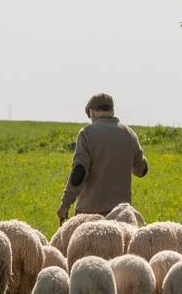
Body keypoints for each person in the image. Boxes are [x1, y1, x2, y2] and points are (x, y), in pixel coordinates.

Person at [57, 93, 148, 222]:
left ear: (91, 112)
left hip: (89, 214)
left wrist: (65, 204)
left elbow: (79, 172)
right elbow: (142, 170)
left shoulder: (86, 134)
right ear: (112, 110)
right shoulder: (129, 133)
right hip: (121, 215)